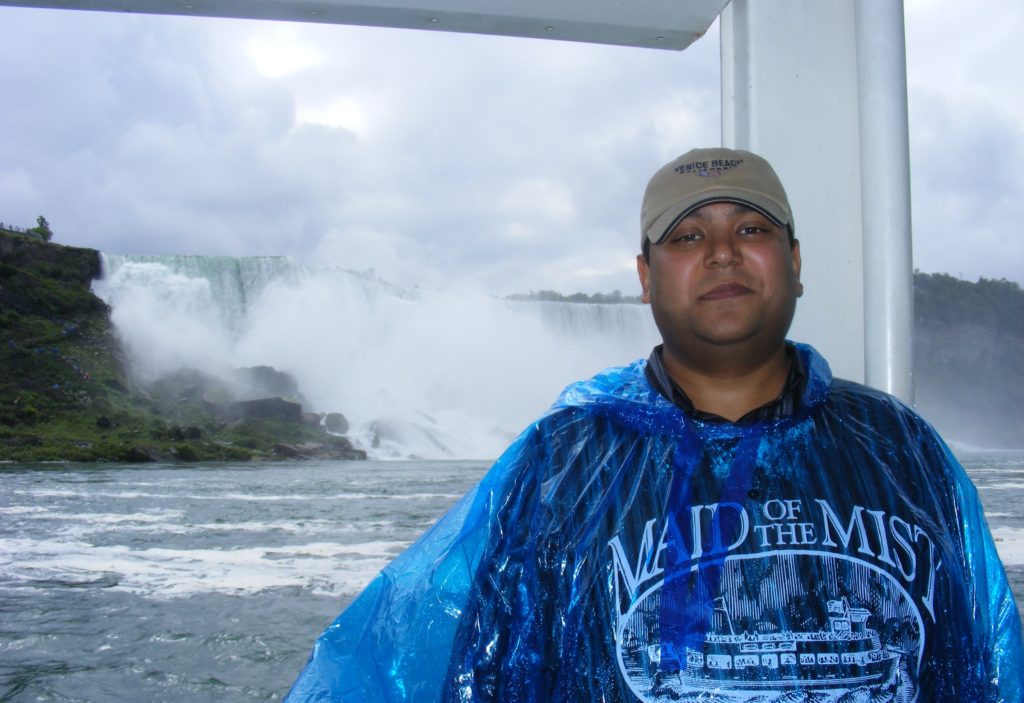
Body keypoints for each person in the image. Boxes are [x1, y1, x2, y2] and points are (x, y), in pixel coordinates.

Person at [286, 147, 1023, 702]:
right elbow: (493, 673)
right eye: (687, 236)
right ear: (644, 276)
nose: (723, 252)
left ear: (794, 262)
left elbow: (982, 665)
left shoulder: (902, 448)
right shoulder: (561, 466)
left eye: (752, 227)